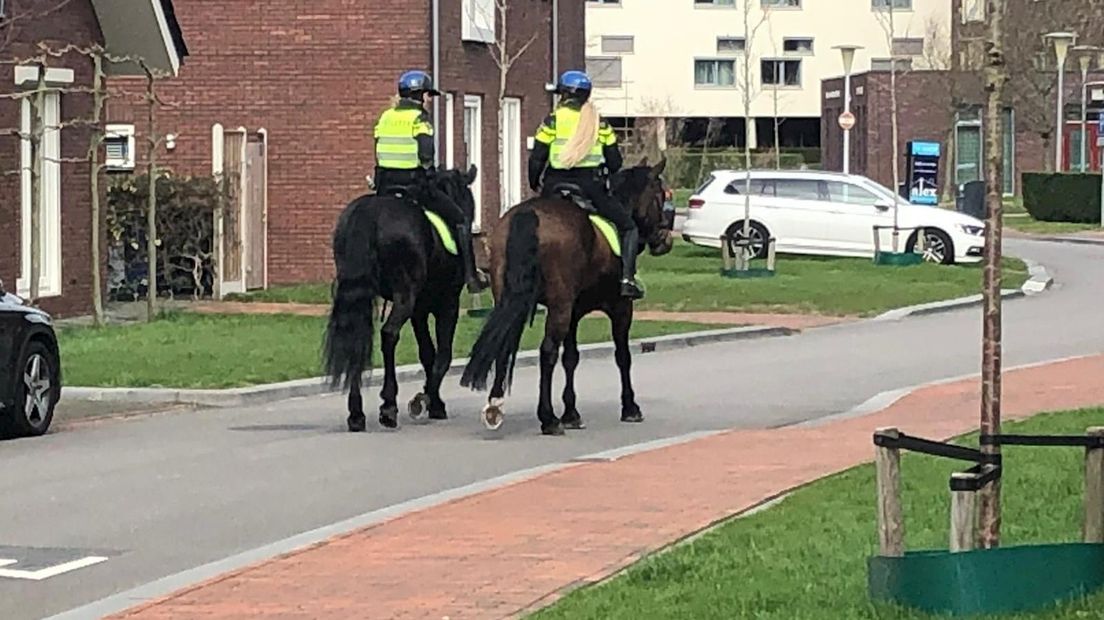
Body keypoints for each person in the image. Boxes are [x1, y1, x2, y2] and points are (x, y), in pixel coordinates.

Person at [528, 70, 643, 299]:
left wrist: (534, 183)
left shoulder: (551, 121)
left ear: (563, 95)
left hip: (554, 186)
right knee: (629, 227)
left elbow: (537, 157)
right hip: (590, 188)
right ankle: (627, 279)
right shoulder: (599, 124)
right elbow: (615, 162)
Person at [373, 70, 487, 292]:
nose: (429, 100)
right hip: (414, 187)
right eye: (428, 95)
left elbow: (377, 151)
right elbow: (426, 156)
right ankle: (471, 276)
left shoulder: (385, 117)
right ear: (420, 96)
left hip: (385, 187)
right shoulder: (420, 119)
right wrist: (430, 175)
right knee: (459, 218)